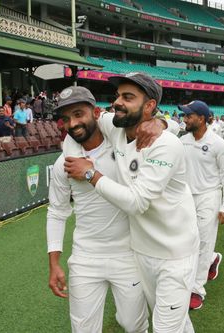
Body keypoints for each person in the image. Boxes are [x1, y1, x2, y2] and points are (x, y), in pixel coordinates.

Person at [63, 73, 200, 333]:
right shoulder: (115, 126)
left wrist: (91, 174)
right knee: (176, 323)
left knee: (164, 329)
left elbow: (137, 202)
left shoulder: (165, 144)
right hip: (142, 252)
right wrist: (162, 121)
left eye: (128, 97)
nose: (117, 102)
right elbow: (75, 128)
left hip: (175, 254)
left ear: (149, 106)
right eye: (117, 96)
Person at [47, 86, 149, 333]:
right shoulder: (64, 163)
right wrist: (54, 263)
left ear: (95, 113)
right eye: (66, 119)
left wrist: (160, 125)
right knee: (83, 329)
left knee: (132, 325)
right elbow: (57, 212)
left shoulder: (123, 145)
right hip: (85, 257)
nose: (72, 123)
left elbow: (158, 130)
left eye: (79, 114)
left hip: (128, 253)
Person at [179, 100, 224, 310]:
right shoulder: (182, 141)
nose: (185, 119)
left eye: (189, 116)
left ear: (201, 118)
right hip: (186, 196)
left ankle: (196, 290)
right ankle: (212, 259)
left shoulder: (218, 143)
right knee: (187, 241)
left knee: (203, 241)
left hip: (209, 196)